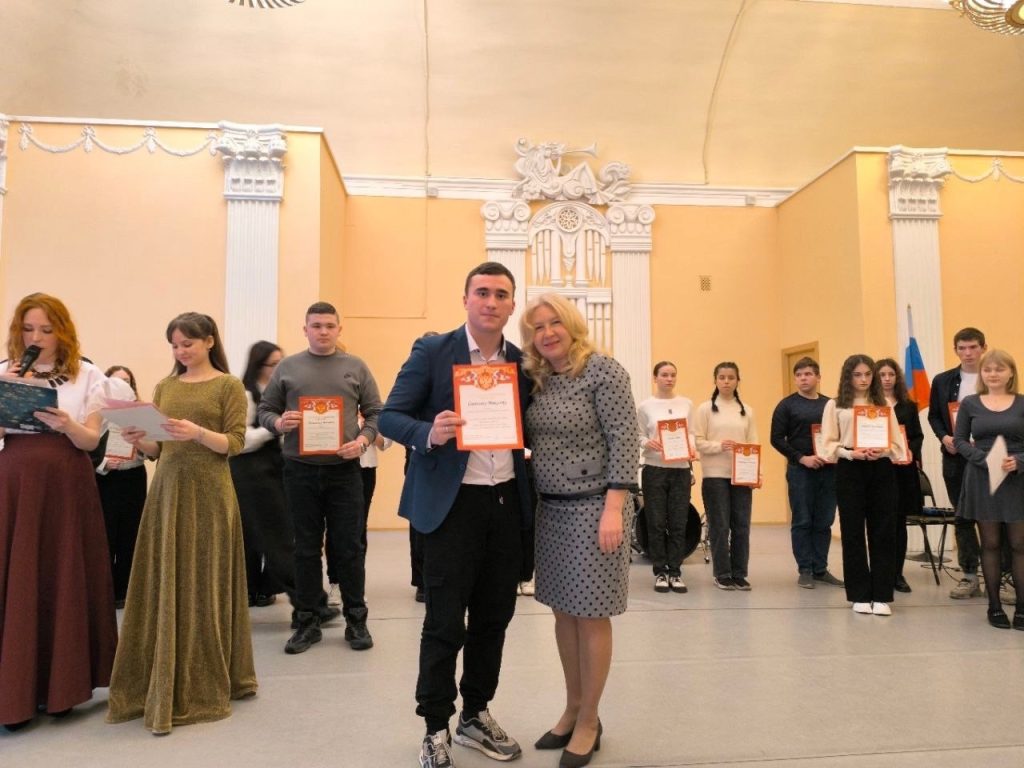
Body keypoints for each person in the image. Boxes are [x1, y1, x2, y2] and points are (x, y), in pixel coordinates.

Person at [379, 262, 532, 768]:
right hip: (451, 507)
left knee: (494, 619)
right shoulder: (433, 351)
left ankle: (475, 714)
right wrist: (429, 432)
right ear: (466, 299)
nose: (491, 302)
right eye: (482, 292)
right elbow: (389, 416)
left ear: (512, 305)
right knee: (444, 622)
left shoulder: (521, 363)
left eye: (501, 294)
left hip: (505, 504)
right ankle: (435, 725)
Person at [107, 312, 257, 734]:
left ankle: (206, 675)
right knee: (166, 579)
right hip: (168, 490)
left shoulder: (228, 386)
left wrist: (197, 433)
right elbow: (159, 450)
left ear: (209, 341)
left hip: (210, 492)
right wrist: (141, 440)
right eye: (174, 345)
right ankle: (159, 671)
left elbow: (234, 443)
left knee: (204, 581)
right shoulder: (165, 386)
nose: (180, 351)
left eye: (187, 343)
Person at [521, 293, 638, 768]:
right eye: (537, 327)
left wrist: (614, 508)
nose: (547, 333)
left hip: (596, 507)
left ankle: (590, 718)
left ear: (572, 325)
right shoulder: (539, 380)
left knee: (591, 615)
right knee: (563, 615)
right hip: (551, 509)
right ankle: (572, 707)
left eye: (554, 323)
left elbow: (625, 439)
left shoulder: (603, 371)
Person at [0, 293, 118, 731]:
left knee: (62, 572)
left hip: (66, 480)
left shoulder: (87, 375)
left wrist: (66, 423)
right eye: (29, 329)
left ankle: (63, 686)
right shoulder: (4, 370)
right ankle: (14, 689)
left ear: (62, 332)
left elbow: (91, 441)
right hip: (14, 481)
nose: (37, 337)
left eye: (46, 330)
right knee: (17, 576)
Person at [257, 302, 381, 655]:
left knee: (349, 547)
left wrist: (362, 441)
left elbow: (376, 412)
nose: (323, 331)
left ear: (339, 329)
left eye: (329, 325)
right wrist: (279, 423)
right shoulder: (288, 367)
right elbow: (266, 410)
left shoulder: (356, 367)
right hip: (300, 470)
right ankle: (307, 621)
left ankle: (356, 620)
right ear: (306, 329)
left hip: (344, 471)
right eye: (316, 326)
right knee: (305, 548)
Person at [820, 354, 906, 616]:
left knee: (883, 531)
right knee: (853, 531)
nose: (863, 379)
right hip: (850, 469)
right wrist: (850, 453)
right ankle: (859, 594)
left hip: (880, 469)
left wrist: (881, 451)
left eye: (868, 374)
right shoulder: (835, 405)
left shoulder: (883, 404)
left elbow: (897, 445)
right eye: (857, 374)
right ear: (848, 376)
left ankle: (881, 594)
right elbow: (827, 444)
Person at [952, 349, 1024, 629]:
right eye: (988, 369)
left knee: (1019, 545)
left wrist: (1019, 461)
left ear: (1011, 373)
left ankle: (1022, 608)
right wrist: (984, 459)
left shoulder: (1022, 403)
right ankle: (994, 607)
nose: (993, 374)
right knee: (990, 543)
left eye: (999, 369)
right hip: (982, 477)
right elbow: (959, 440)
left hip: (1016, 479)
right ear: (982, 374)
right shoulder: (970, 403)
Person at [230, 341, 295, 608]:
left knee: (276, 529)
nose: (280, 368)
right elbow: (240, 439)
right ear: (259, 365)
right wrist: (275, 427)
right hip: (249, 470)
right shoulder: (245, 394)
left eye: (282, 362)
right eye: (274, 364)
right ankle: (249, 586)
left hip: (276, 467)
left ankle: (267, 586)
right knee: (253, 531)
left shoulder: (282, 393)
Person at [770, 356, 843, 589]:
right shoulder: (786, 405)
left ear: (818, 377)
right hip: (800, 470)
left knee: (824, 520)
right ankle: (805, 570)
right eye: (799, 375)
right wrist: (802, 458)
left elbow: (841, 434)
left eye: (808, 374)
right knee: (802, 520)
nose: (803, 378)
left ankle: (820, 569)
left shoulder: (830, 405)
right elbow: (776, 439)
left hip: (829, 470)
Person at [929, 327, 987, 600]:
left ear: (983, 348)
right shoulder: (943, 381)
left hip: (989, 458)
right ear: (955, 350)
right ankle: (969, 575)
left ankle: (1003, 576)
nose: (967, 353)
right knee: (963, 516)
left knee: (995, 517)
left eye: (973, 347)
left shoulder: (994, 376)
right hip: (955, 458)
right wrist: (945, 437)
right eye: (962, 348)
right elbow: (934, 416)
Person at [693, 362, 760, 591]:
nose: (726, 381)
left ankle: (740, 573)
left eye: (731, 377)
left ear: (737, 381)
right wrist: (719, 446)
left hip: (742, 476)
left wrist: (757, 474)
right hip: (714, 476)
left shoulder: (747, 411)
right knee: (719, 526)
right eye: (722, 377)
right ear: (715, 380)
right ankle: (722, 573)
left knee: (741, 526)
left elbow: (753, 444)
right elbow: (698, 441)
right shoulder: (705, 409)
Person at [637, 360, 695, 594]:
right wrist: (646, 443)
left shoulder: (686, 404)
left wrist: (691, 449)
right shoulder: (645, 406)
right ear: (655, 378)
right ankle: (660, 571)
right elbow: (638, 435)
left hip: (680, 469)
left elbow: (691, 433)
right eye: (664, 374)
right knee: (656, 522)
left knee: (679, 522)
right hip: (654, 469)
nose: (669, 379)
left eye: (673, 375)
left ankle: (676, 572)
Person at [96, 365, 148, 609]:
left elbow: (155, 449)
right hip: (105, 479)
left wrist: (142, 448)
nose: (122, 386)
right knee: (105, 535)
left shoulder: (141, 414)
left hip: (133, 477)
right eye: (116, 381)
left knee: (131, 535)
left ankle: (125, 591)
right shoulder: (97, 412)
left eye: (127, 381)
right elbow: (86, 448)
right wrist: (104, 463)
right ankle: (103, 592)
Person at [875, 358, 924, 594]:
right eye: (882, 375)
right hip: (878, 469)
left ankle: (897, 574)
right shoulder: (870, 405)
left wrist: (910, 449)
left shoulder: (908, 406)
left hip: (902, 471)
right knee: (880, 523)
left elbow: (917, 436)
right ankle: (880, 573)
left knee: (898, 524)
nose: (887, 379)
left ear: (897, 377)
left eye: (891, 374)